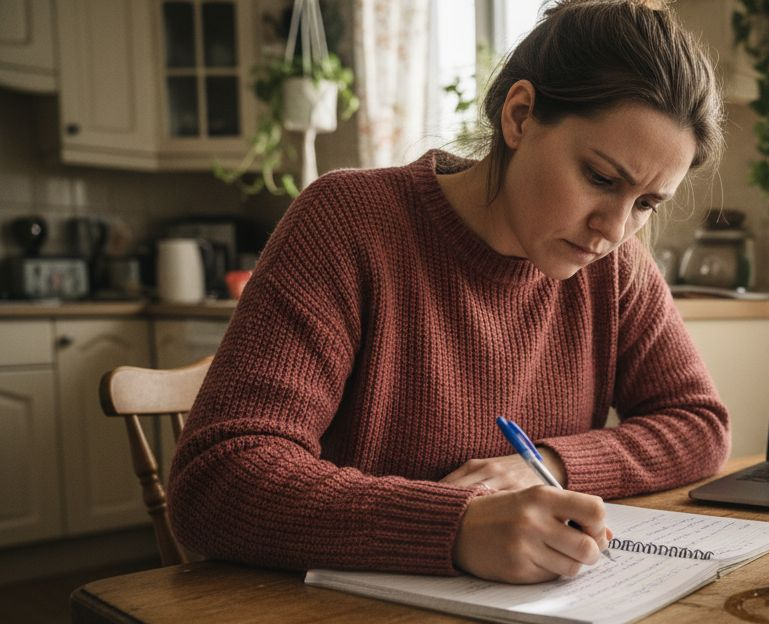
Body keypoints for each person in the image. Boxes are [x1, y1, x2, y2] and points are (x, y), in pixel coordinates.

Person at [167, 0, 728, 584]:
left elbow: (698, 424)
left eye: (645, 204)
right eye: (600, 179)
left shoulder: (615, 269)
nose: (613, 230)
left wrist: (550, 465)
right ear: (520, 116)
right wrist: (456, 527)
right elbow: (216, 480)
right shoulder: (348, 223)